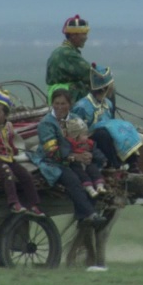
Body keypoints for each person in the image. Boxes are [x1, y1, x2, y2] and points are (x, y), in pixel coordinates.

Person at [27, 88, 107, 226]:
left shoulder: (76, 119)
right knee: (73, 180)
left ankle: (85, 215)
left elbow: (84, 140)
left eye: (63, 103)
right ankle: (90, 214)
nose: (59, 107)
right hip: (53, 161)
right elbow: (51, 152)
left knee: (93, 172)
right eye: (56, 103)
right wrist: (75, 157)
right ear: (52, 104)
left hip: (75, 159)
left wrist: (88, 154)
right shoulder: (47, 123)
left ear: (70, 104)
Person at [73, 65, 142, 173]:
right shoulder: (81, 106)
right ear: (105, 87)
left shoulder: (108, 103)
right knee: (103, 134)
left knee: (125, 126)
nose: (113, 88)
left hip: (107, 136)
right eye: (111, 85)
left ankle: (132, 162)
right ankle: (114, 165)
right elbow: (75, 129)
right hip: (89, 140)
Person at [46, 14, 93, 104]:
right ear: (73, 35)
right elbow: (90, 74)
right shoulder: (68, 54)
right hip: (65, 96)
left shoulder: (61, 50)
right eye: (83, 34)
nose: (86, 37)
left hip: (55, 95)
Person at [65, 118, 107, 198]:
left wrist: (103, 159)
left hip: (88, 163)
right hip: (76, 164)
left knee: (94, 171)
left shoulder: (89, 143)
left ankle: (100, 186)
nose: (86, 136)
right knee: (82, 175)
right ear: (76, 136)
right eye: (84, 135)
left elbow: (95, 152)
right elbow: (66, 153)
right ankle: (90, 189)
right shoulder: (68, 143)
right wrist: (72, 157)